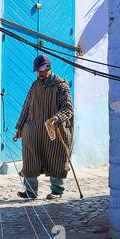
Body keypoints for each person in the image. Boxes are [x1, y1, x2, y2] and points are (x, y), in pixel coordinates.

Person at [12, 53, 74, 200]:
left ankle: (57, 191)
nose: (39, 74)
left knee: (56, 159)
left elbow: (68, 108)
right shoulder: (35, 85)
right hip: (33, 127)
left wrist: (56, 118)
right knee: (30, 158)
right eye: (37, 72)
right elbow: (26, 106)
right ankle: (30, 191)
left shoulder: (61, 85)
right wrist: (20, 126)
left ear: (48, 68)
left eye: (41, 71)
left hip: (55, 129)